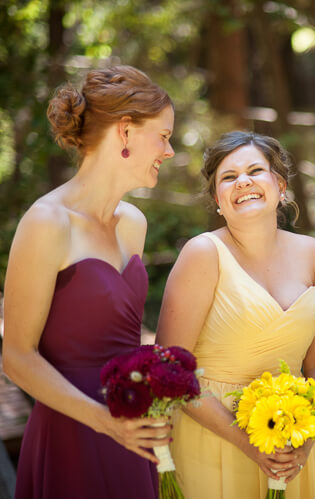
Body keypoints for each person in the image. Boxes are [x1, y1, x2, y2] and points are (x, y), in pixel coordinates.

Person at [2, 65, 175, 498]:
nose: (168, 151)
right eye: (164, 136)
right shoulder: (47, 222)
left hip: (133, 431)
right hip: (72, 431)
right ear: (126, 131)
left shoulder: (133, 223)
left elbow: (125, 341)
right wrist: (104, 420)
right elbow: (17, 357)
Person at [155, 131, 315, 499]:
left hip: (291, 444)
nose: (244, 181)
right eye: (229, 176)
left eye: (255, 170)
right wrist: (249, 443)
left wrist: (306, 438)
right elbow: (172, 373)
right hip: (214, 441)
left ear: (280, 185)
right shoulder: (202, 254)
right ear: (218, 199)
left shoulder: (314, 254)